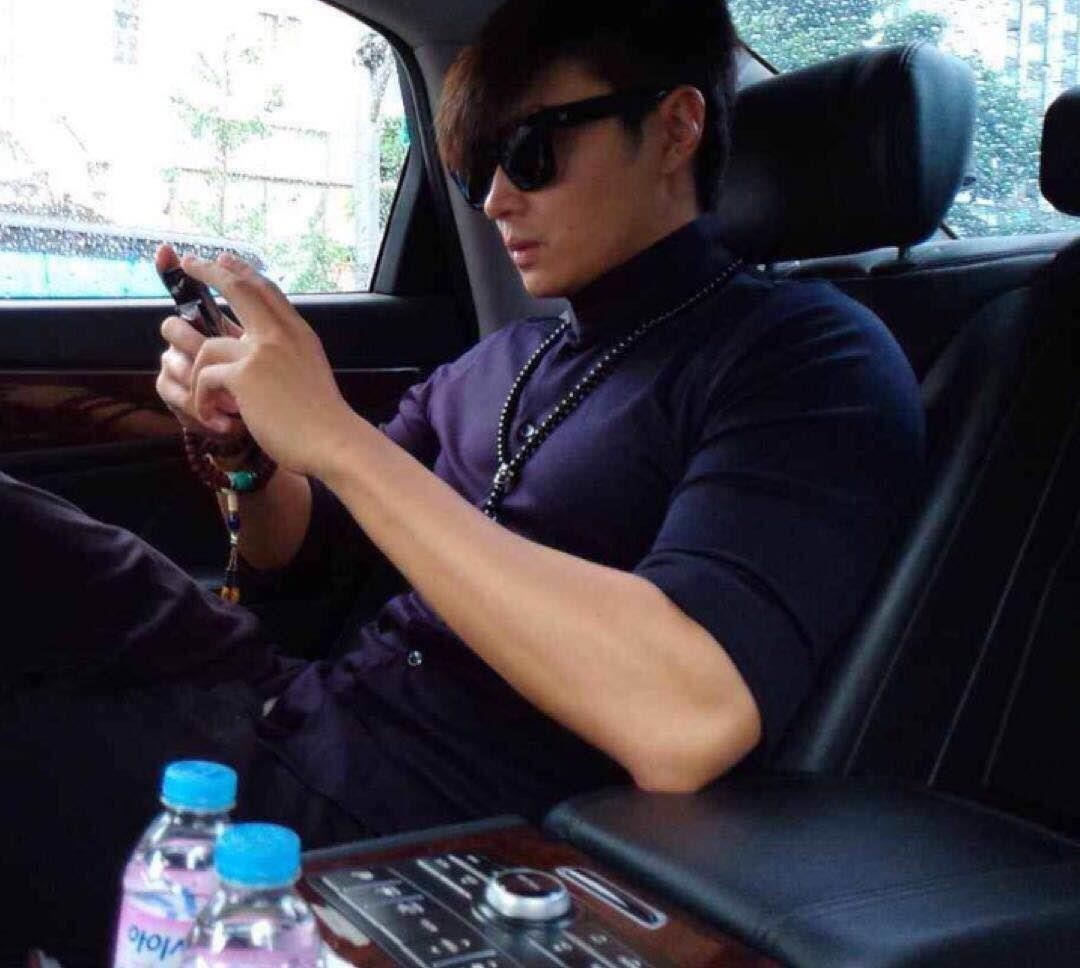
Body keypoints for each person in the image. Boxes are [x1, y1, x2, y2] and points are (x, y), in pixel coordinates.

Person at [1, 0, 925, 961]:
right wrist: (249, 451)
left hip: (414, 830)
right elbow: (302, 556)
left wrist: (336, 437)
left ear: (676, 126)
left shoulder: (807, 359)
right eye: (476, 168)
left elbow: (688, 717)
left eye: (530, 153)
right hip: (285, 709)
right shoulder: (505, 359)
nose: (493, 200)